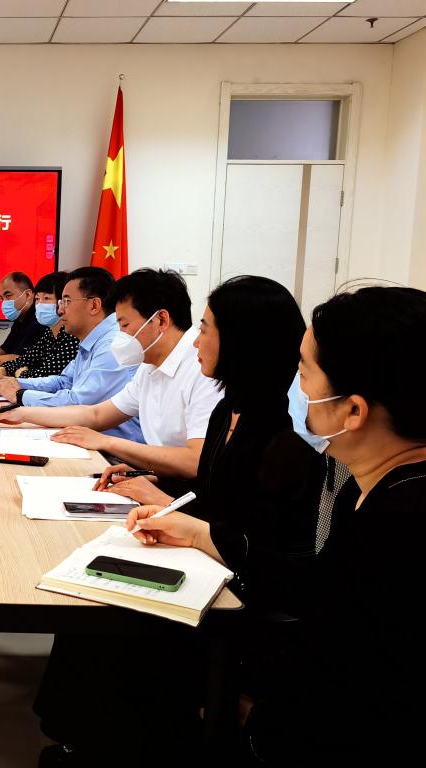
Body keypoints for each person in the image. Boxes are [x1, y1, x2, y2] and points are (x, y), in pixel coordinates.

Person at [34, 276, 324, 766]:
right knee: (89, 593)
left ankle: (104, 744)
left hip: (236, 590)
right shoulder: (229, 410)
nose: (195, 341)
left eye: (206, 329)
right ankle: (76, 738)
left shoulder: (281, 438)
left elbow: (252, 535)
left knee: (110, 626)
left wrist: (177, 514)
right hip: (207, 555)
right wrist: (155, 485)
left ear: (241, 342)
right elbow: (214, 493)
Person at [128, 285, 423, 765]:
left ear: (353, 410)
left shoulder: (399, 523)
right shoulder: (353, 481)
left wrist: (259, 713)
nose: (297, 388)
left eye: (304, 371)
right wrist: (198, 532)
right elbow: (317, 582)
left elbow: (350, 668)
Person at [0, 268, 222, 487]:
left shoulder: (200, 369)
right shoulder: (149, 365)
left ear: (160, 320)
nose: (118, 336)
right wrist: (20, 413)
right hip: (156, 474)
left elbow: (194, 461)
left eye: (124, 325)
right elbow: (96, 414)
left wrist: (106, 442)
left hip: (189, 494)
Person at [0, 269, 142, 444]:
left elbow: (79, 403)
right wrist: (18, 383)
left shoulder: (111, 344)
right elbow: (63, 382)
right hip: (89, 439)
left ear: (94, 306)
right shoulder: (91, 339)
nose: (60, 310)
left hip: (113, 449)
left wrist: (20, 395)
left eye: (67, 302)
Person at [0, 271, 79, 380]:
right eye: (37, 299)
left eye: (46, 298)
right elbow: (26, 359)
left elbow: (50, 374)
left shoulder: (72, 334)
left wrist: (22, 374)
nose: (39, 304)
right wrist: (3, 370)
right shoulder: (49, 333)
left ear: (63, 302)